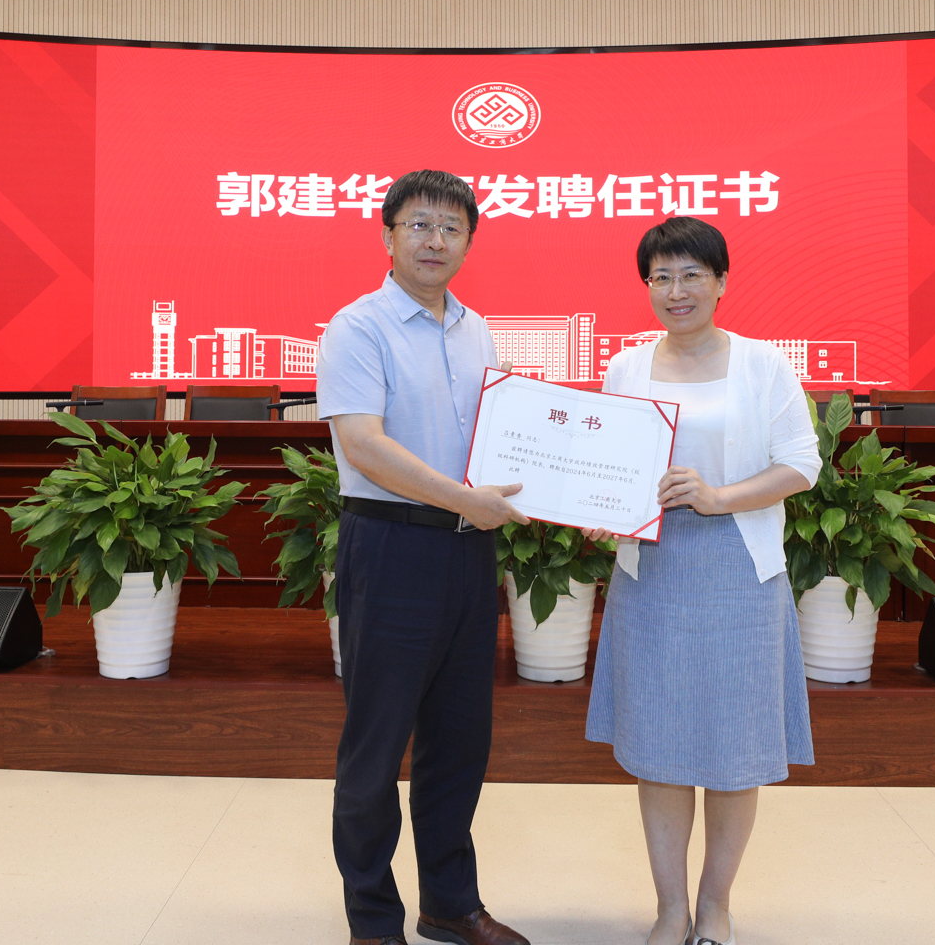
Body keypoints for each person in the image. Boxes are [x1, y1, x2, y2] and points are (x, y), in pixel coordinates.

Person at [583, 216, 821, 945]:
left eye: (691, 275)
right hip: (650, 573)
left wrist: (719, 497)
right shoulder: (625, 368)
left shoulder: (762, 365)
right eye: (661, 277)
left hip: (739, 570)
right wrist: (601, 512)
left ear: (721, 282)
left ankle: (716, 906)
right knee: (659, 747)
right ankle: (670, 909)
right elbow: (608, 469)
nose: (675, 290)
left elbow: (801, 465)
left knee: (733, 751)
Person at [314, 169, 533, 945]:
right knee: (375, 747)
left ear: (469, 241)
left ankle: (449, 903)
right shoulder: (357, 327)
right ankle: (373, 921)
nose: (435, 240)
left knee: (459, 743)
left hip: (468, 557)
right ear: (388, 235)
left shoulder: (477, 331)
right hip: (391, 547)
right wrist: (464, 500)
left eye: (451, 227)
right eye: (419, 225)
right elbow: (364, 446)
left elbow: (501, 438)